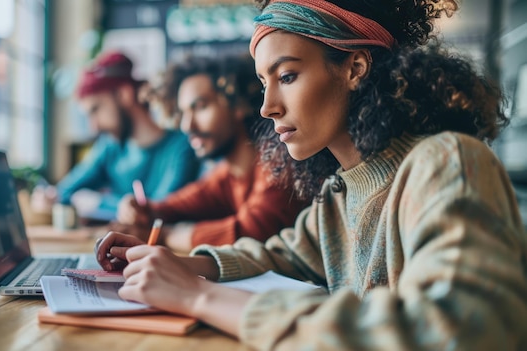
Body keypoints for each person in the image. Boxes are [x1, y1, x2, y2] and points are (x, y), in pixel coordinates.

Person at [95, 0, 527, 350]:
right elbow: (284, 253)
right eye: (265, 82)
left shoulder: (448, 163)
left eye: (287, 75)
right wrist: (187, 266)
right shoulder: (339, 193)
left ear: (355, 68)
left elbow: (459, 331)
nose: (267, 107)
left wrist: (199, 296)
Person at [113, 55, 309, 253]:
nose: (187, 125)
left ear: (238, 105)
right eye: (183, 113)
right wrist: (144, 211)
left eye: (200, 107)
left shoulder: (279, 160)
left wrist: (163, 235)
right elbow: (183, 203)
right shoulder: (227, 173)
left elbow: (252, 231)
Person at [32, 51, 201, 222]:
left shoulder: (182, 147)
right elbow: (63, 192)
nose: (94, 126)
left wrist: (96, 203)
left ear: (124, 94)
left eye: (96, 109)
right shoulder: (110, 147)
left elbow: (156, 212)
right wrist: (50, 197)